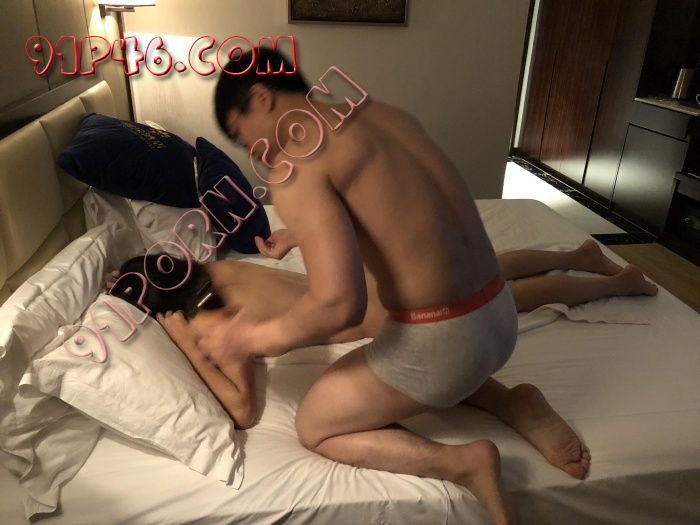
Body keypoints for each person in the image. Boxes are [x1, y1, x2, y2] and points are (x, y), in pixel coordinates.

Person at [174, 47, 646, 522]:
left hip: (446, 342)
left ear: (261, 96)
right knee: (392, 327)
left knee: (314, 426)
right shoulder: (379, 114)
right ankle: (512, 402)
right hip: (499, 315)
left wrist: (248, 338)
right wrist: (305, 233)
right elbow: (400, 211)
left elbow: (339, 305)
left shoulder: (295, 164)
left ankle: (463, 463)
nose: (253, 150)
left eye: (242, 134)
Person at [109, 240, 655, 503]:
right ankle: (579, 255)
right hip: (383, 281)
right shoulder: (218, 269)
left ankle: (616, 283)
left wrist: (184, 340)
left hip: (397, 312)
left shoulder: (208, 314)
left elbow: (243, 410)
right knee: (490, 269)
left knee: (509, 297)